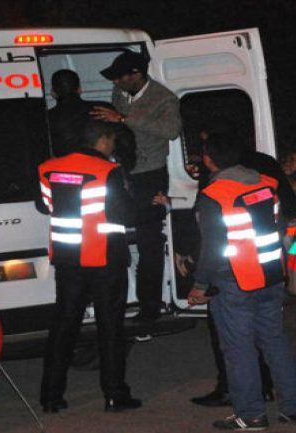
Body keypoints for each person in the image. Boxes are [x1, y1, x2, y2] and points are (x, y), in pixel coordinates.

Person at [189, 131, 296, 430]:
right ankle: (295, 408)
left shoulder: (214, 195)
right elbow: (279, 227)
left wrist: (200, 285)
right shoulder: (266, 185)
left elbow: (212, 247)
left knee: (239, 349)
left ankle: (251, 415)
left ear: (208, 159)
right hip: (271, 276)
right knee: (275, 342)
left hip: (236, 281)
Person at [36, 120, 142, 413]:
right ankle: (114, 395)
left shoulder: (48, 168)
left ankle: (51, 397)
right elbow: (124, 214)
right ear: (103, 140)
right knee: (110, 328)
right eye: (112, 141)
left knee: (63, 326)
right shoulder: (109, 171)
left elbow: (44, 205)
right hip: (105, 258)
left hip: (68, 258)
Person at [93, 51, 182, 322]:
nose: (116, 82)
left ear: (136, 74)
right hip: (122, 172)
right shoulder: (120, 93)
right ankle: (117, 300)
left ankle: (150, 305)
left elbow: (171, 131)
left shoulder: (164, 98)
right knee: (113, 233)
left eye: (120, 77)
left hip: (150, 175)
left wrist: (123, 119)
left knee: (149, 241)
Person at [48, 69, 136, 169]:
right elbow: (125, 140)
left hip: (67, 173)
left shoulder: (47, 119)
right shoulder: (103, 109)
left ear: (53, 93)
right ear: (80, 89)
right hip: (104, 170)